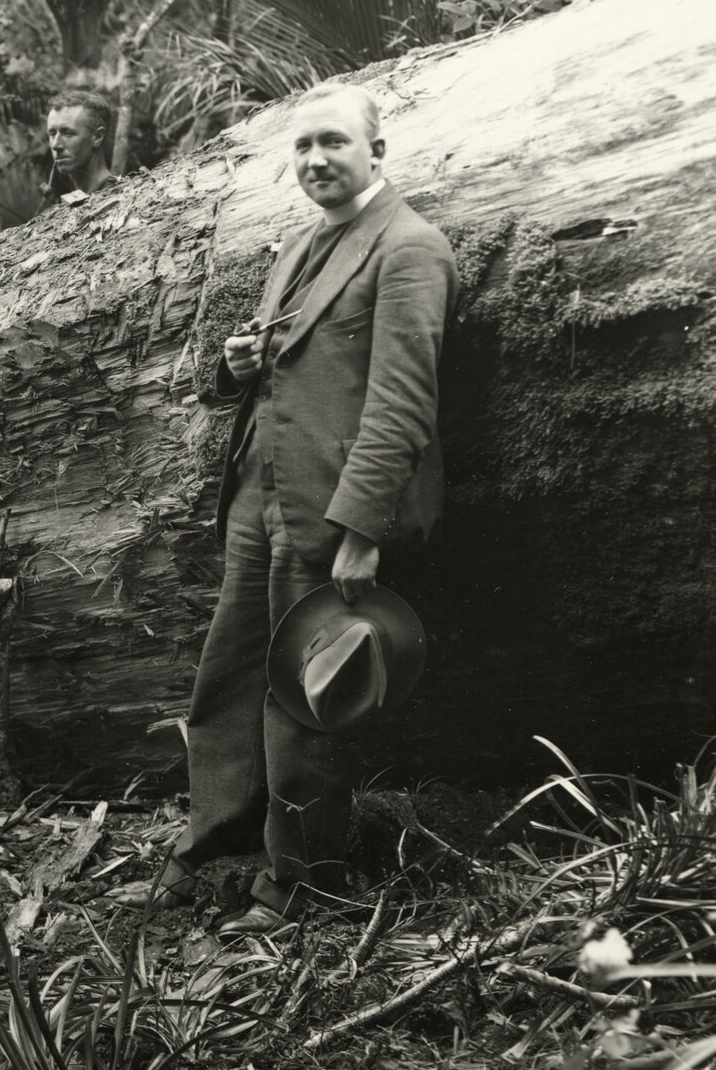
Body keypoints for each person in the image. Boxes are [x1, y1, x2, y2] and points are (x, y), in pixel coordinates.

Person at [110, 82, 457, 933]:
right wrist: (236, 364)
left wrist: (360, 531)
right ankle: (216, 849)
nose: (313, 161)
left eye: (332, 142)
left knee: (312, 699)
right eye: (300, 148)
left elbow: (401, 406)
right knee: (226, 678)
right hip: (259, 500)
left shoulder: (410, 248)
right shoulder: (299, 245)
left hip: (333, 513)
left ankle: (302, 882)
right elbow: (275, 372)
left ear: (376, 149)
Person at [43, 91, 117, 202]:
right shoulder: (77, 202)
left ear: (97, 137)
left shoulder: (119, 197)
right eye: (52, 134)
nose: (55, 145)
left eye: (67, 133)